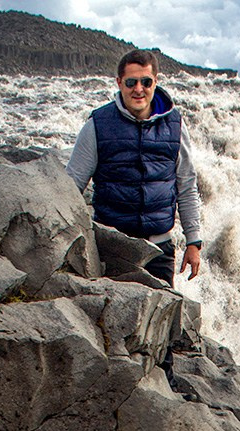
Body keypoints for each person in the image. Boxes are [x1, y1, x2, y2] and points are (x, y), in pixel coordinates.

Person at [66, 49, 202, 287]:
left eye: (146, 82)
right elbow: (71, 185)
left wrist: (194, 242)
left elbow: (187, 186)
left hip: (159, 250)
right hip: (113, 248)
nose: (138, 89)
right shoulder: (97, 125)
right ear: (119, 83)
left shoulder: (175, 125)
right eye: (131, 82)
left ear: (155, 82)